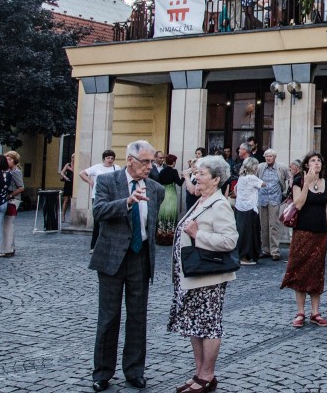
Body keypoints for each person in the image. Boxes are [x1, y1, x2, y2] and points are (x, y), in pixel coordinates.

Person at [89, 140, 165, 392]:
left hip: (140, 256)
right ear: (130, 160)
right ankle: (102, 372)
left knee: (137, 317)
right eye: (146, 162)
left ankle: (135, 371)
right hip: (111, 258)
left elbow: (149, 224)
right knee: (108, 317)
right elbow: (98, 211)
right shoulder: (108, 182)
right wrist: (127, 202)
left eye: (152, 162)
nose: (150, 167)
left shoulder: (155, 188)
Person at [167, 155, 238, 393]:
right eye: (196, 173)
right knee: (194, 326)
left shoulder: (220, 205)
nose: (196, 177)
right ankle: (199, 373)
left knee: (208, 326)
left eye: (202, 174)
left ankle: (207, 375)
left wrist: (198, 235)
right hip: (192, 277)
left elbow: (229, 240)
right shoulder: (201, 201)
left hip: (208, 278)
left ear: (216, 179)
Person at [282, 151, 327, 328]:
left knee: (316, 272)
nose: (316, 163)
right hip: (302, 232)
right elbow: (298, 204)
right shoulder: (298, 181)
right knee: (300, 271)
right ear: (306, 165)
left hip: (320, 234)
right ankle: (300, 312)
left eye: (319, 160)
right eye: (313, 160)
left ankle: (315, 312)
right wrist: (307, 184)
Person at [81, 150, 122, 253]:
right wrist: (91, 182)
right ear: (104, 159)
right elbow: (82, 173)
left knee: (111, 221)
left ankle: (109, 245)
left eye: (112, 158)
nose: (110, 160)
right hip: (98, 197)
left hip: (111, 197)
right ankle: (94, 246)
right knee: (98, 221)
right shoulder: (97, 167)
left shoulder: (116, 168)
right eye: (108, 158)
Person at [256, 149, 290, 260]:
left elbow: (289, 178)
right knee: (263, 225)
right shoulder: (260, 167)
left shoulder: (281, 167)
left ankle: (275, 250)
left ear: (274, 157)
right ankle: (266, 249)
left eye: (270, 156)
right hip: (262, 199)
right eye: (266, 156)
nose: (268, 158)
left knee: (273, 225)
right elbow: (255, 179)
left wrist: (286, 192)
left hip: (275, 199)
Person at [232, 156, 263, 265]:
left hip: (240, 207)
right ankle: (246, 256)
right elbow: (264, 184)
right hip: (250, 208)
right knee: (249, 233)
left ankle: (239, 254)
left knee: (241, 231)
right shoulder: (252, 178)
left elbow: (235, 189)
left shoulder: (241, 177)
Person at [0, 150, 25, 257]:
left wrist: (9, 195)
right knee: (8, 225)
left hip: (13, 200)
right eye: (6, 159)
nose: (7, 161)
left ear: (14, 161)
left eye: (10, 159)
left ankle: (7, 250)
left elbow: (21, 187)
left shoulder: (15, 172)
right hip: (11, 199)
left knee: (7, 225)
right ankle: (10, 247)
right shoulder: (9, 171)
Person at [156, 157, 183, 243]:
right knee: (171, 214)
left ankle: (160, 237)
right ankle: (170, 239)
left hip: (163, 194)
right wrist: (185, 176)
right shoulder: (174, 171)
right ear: (174, 162)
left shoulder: (162, 171)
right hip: (171, 194)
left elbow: (158, 183)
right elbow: (179, 183)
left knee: (162, 214)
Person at [60, 154, 75, 223]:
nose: (73, 158)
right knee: (66, 200)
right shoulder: (67, 165)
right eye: (72, 157)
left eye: (74, 157)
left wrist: (73, 169)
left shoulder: (77, 164)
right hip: (68, 183)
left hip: (74, 184)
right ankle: (63, 216)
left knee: (73, 200)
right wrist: (65, 177)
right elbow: (62, 172)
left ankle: (72, 216)